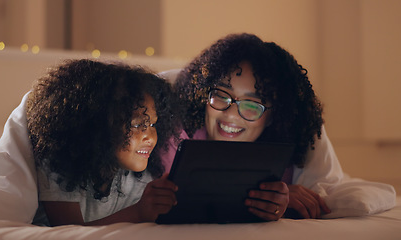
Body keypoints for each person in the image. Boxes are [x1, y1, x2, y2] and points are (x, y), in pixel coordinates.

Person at [160, 33, 396, 220]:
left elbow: (319, 192)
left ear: (273, 116)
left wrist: (284, 204)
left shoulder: (286, 163)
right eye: (222, 95)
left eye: (252, 104)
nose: (231, 114)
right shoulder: (173, 138)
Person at [28, 59, 180, 226]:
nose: (150, 137)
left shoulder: (140, 177)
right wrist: (138, 212)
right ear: (99, 125)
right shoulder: (60, 167)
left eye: (152, 124)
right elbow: (68, 233)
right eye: (137, 125)